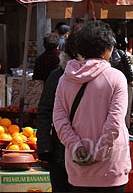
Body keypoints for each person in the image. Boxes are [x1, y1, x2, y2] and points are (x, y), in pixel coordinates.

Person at [53, 20, 130, 192]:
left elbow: (59, 120)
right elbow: (114, 123)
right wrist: (98, 153)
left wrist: (76, 146)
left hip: (77, 167)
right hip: (110, 167)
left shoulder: (65, 79)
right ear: (106, 48)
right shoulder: (116, 78)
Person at [37, 23, 83, 192]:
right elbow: (44, 112)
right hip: (60, 153)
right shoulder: (58, 76)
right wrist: (44, 146)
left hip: (90, 152)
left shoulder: (101, 78)